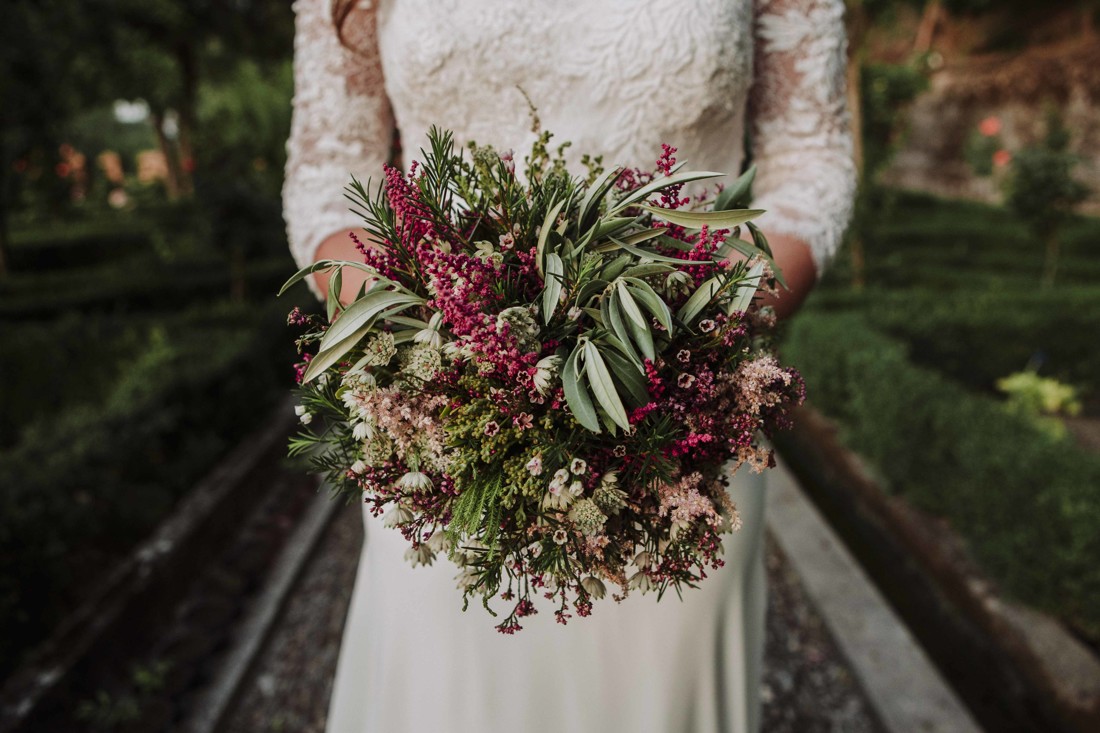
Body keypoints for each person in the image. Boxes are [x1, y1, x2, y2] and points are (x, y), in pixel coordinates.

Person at [283, 0, 856, 731]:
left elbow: (810, 161)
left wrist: (692, 337)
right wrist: (449, 345)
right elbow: (329, 174)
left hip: (682, 430)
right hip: (448, 429)